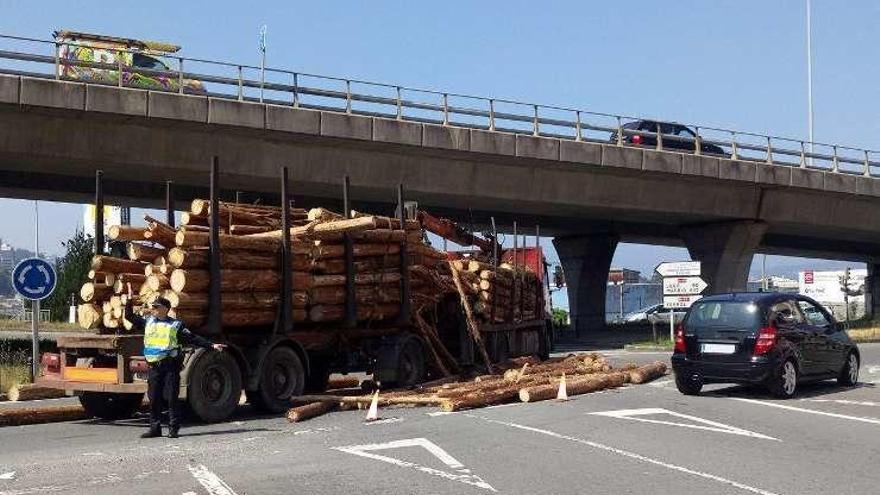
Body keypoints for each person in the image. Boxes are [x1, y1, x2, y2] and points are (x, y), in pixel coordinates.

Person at [124, 283, 225, 438]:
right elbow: (129, 316)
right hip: (154, 366)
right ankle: (155, 428)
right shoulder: (148, 323)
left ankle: (173, 428)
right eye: (153, 307)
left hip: (170, 366)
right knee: (154, 398)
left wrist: (211, 345)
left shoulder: (175, 326)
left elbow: (193, 338)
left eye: (157, 307)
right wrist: (129, 299)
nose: (154, 309)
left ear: (165, 309)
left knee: (172, 398)